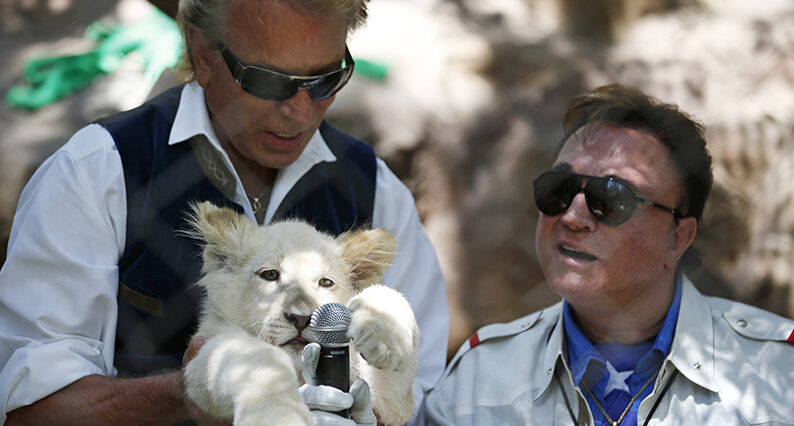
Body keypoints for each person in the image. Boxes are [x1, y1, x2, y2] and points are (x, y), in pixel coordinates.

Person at [0, 0, 449, 423]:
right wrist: (196, 389)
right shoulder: (99, 171)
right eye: (270, 80)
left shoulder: (377, 192)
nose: (299, 111)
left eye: (325, 79)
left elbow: (422, 399)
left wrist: (371, 394)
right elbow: (33, 408)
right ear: (202, 54)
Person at [424, 84, 794, 425]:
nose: (572, 216)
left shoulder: (778, 371)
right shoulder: (477, 379)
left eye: (613, 197)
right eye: (560, 188)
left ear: (678, 238)